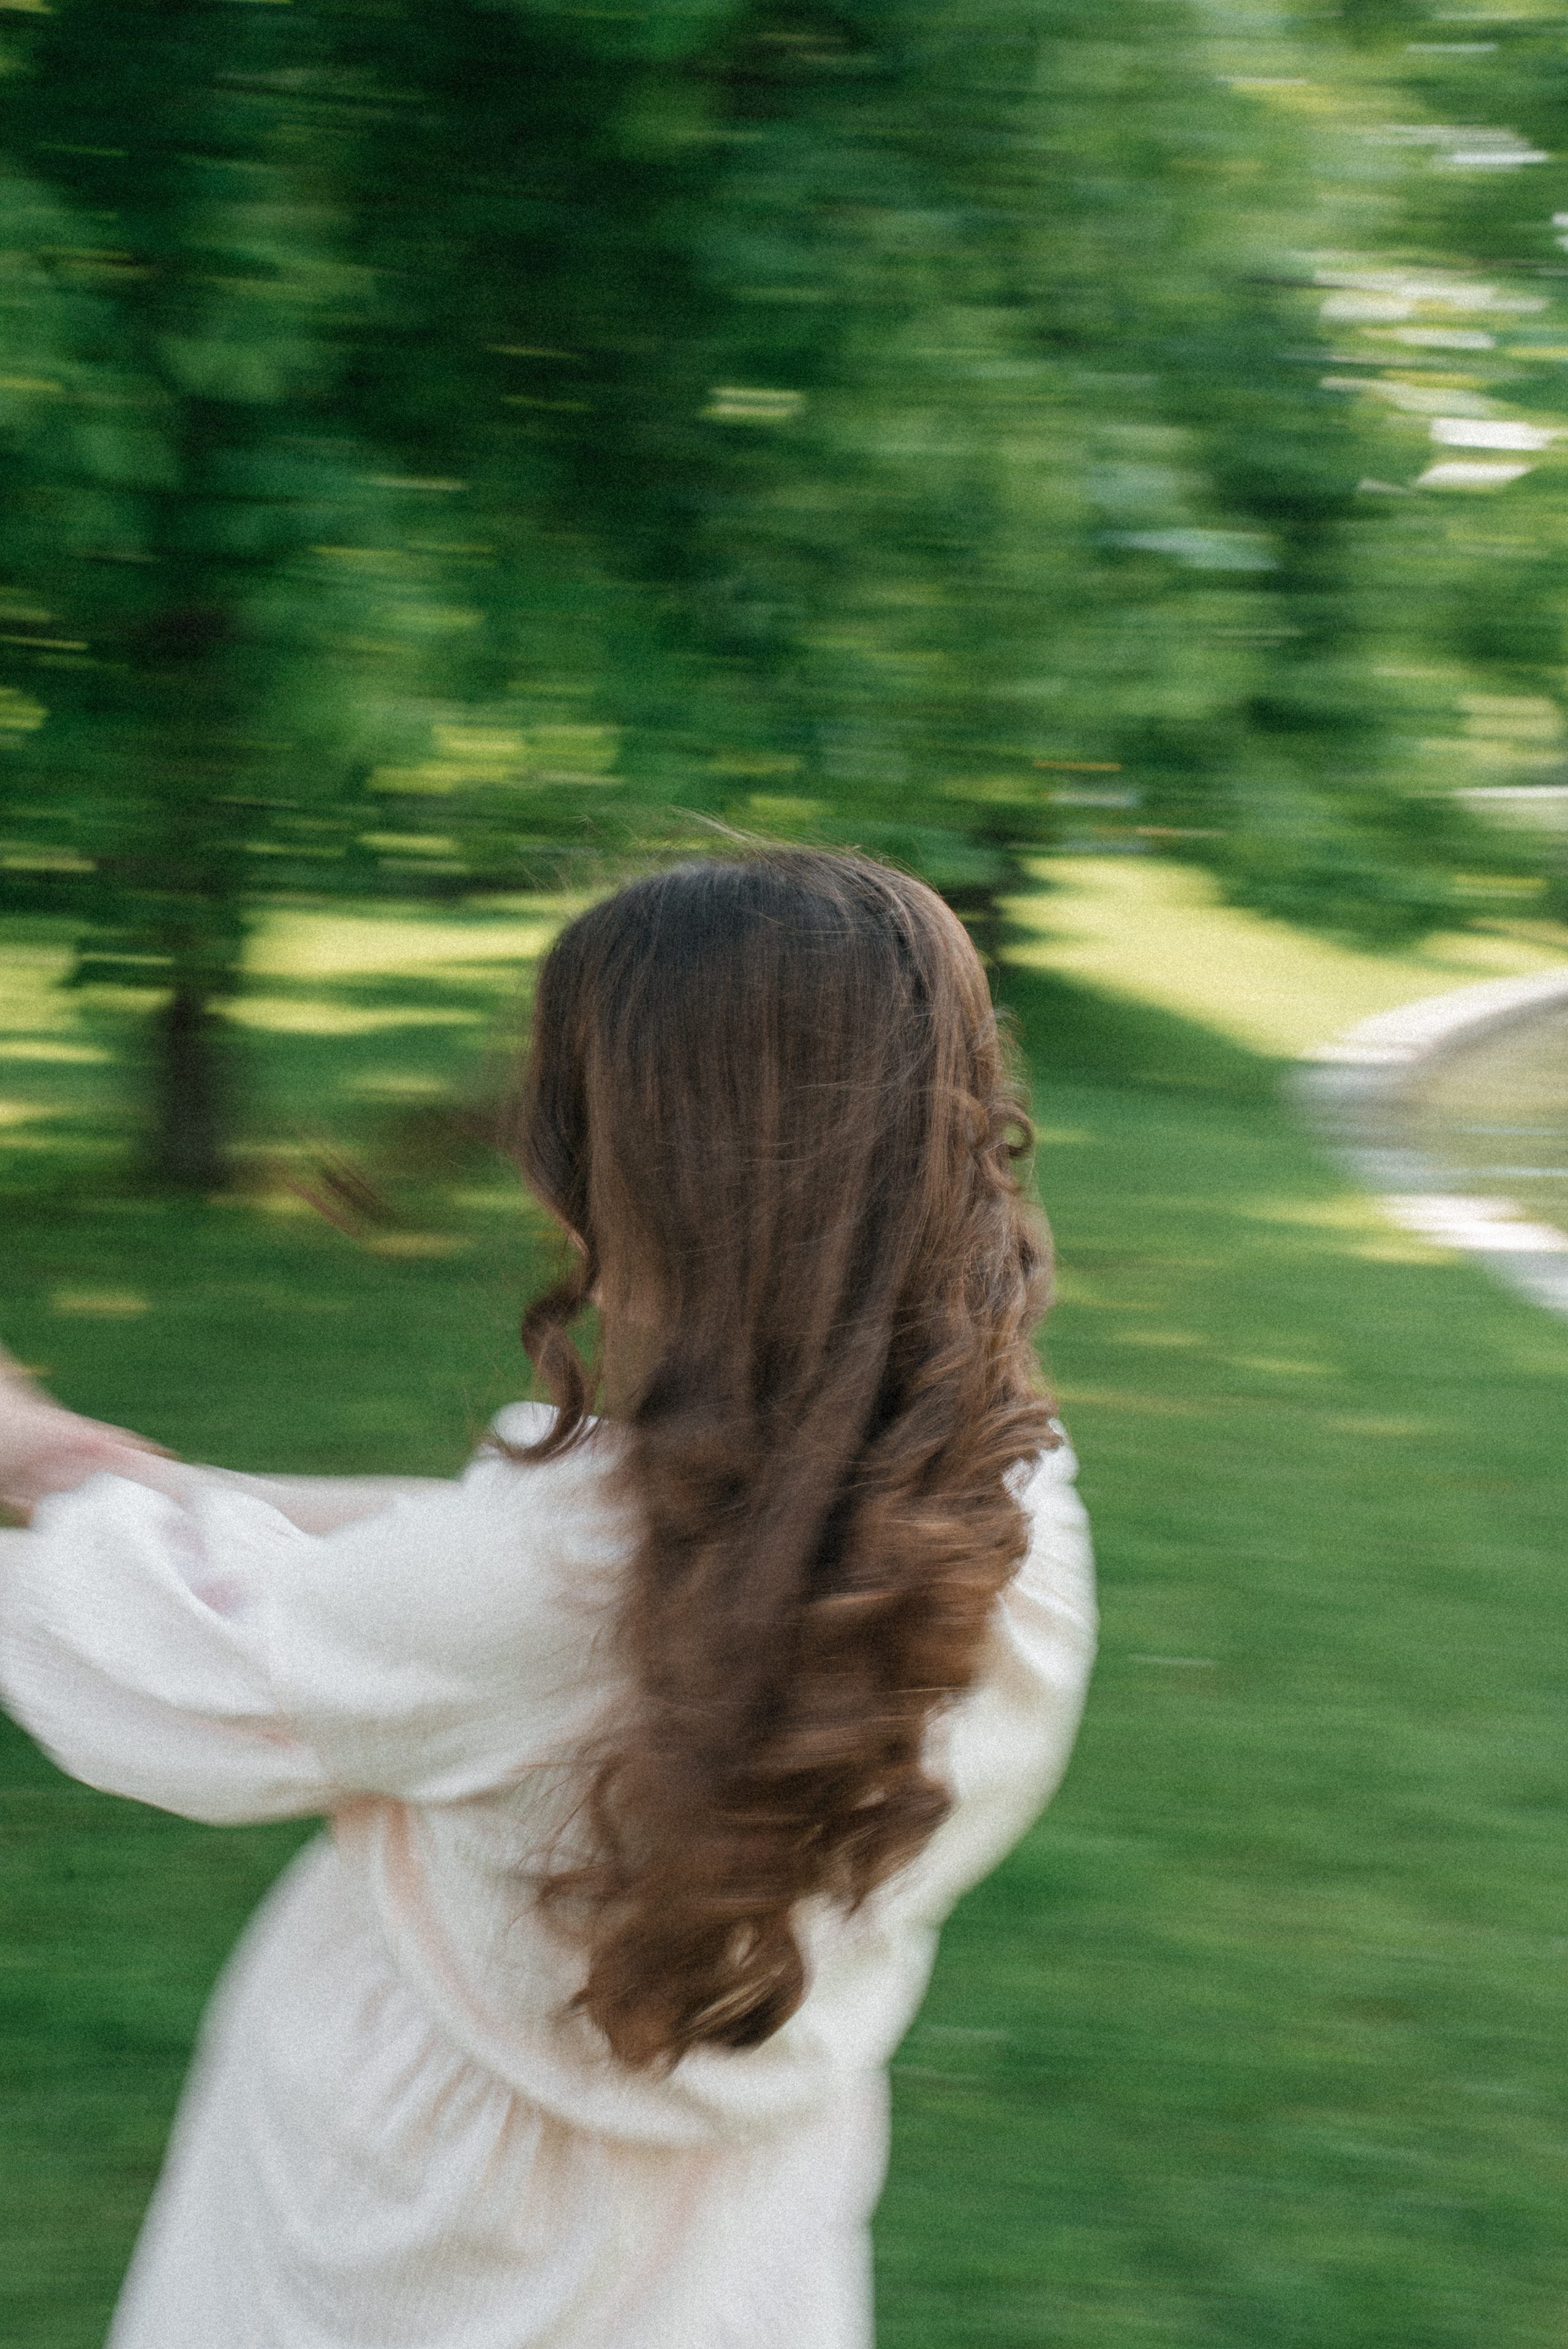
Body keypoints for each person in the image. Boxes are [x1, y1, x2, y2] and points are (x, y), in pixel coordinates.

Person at [0, 850, 1096, 2349]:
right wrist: (136, 1474)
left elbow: (185, 1658)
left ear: (652, 1173)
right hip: (726, 2239)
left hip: (428, 2240)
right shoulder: (994, 1507)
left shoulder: (560, 1583)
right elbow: (462, 1562)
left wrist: (35, 1456)